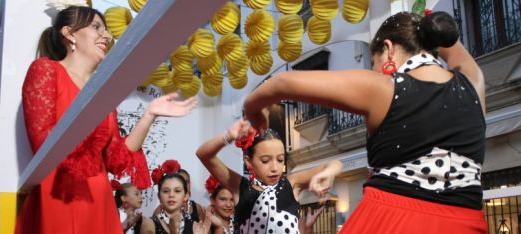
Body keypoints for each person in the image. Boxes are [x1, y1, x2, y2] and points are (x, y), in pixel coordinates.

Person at [243, 11, 487, 233]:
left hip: (392, 221)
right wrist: (430, 26)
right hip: (466, 223)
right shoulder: (474, 84)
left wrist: (252, 109)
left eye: (373, 61)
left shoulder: (385, 89)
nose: (376, 70)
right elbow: (452, 44)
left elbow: (282, 83)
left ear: (388, 49)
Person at [15, 6, 197, 234]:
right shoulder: (46, 70)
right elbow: (42, 141)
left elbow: (116, 161)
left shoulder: (102, 94)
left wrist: (149, 114)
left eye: (107, 30)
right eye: (96, 27)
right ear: (70, 34)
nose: (107, 36)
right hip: (59, 194)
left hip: (98, 201)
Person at [196, 120, 343, 233]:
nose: (274, 168)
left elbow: (335, 163)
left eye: (280, 160)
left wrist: (327, 173)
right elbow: (203, 154)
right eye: (265, 161)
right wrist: (228, 136)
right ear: (249, 162)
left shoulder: (291, 184)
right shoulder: (240, 188)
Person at [141, 165, 212, 234]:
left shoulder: (195, 226)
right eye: (166, 191)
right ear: (159, 196)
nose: (171, 195)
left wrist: (219, 227)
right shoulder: (149, 224)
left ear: (186, 196)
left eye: (177, 191)